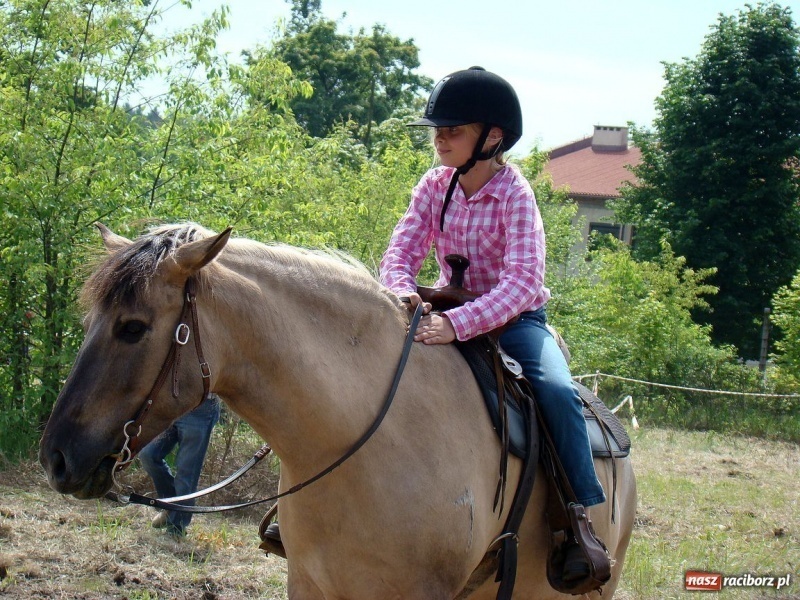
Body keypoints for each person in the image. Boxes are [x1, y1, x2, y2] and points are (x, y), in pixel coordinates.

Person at [379, 66, 606, 582]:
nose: (440, 139)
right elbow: (401, 251)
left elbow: (524, 281)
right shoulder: (434, 185)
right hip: (438, 313)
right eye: (438, 129)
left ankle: (577, 519)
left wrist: (459, 325)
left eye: (453, 130)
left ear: (492, 138)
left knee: (554, 389)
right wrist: (401, 294)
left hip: (513, 323)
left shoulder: (516, 194)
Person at [138, 392, 221, 537]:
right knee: (148, 455)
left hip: (201, 407)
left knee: (186, 473)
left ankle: (176, 528)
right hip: (173, 404)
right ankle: (171, 507)